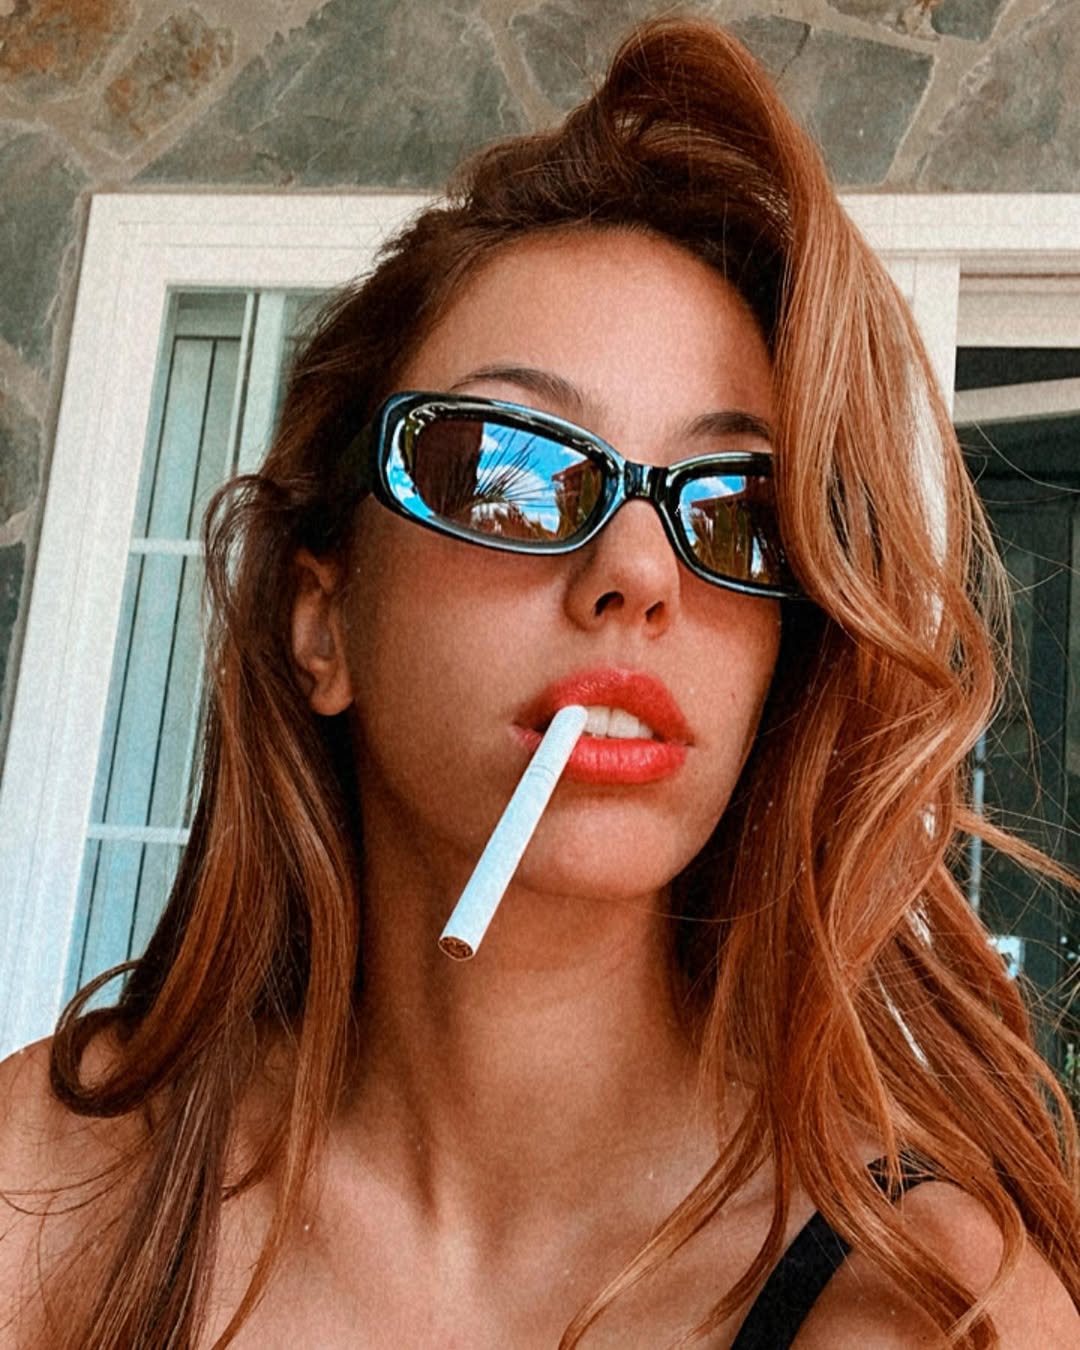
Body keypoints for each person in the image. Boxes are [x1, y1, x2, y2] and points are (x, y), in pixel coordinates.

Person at [2, 16, 1079, 1349]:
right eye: (509, 471)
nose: (639, 570)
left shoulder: (934, 1306)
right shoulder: (48, 1189)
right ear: (324, 621)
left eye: (736, 510)